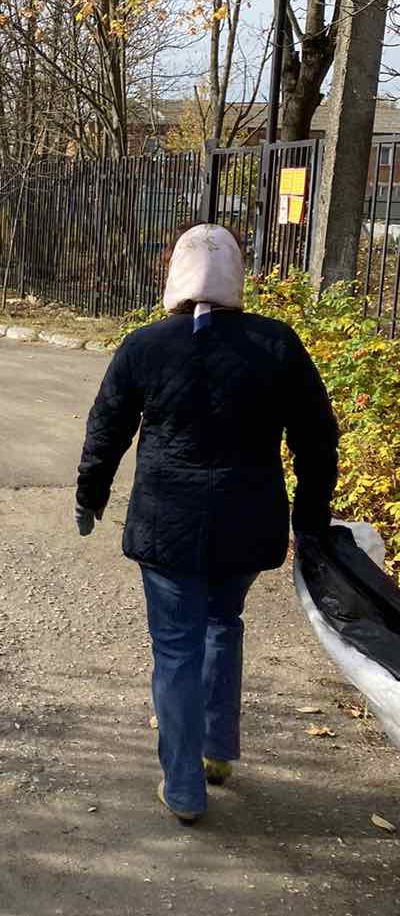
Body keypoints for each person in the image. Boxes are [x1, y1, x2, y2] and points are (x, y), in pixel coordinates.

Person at [75, 223, 339, 823]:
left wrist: (90, 495)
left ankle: (183, 786)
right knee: (224, 622)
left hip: (167, 522)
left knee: (176, 647)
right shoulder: (276, 343)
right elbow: (316, 439)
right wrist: (310, 519)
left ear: (175, 276)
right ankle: (217, 751)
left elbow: (107, 428)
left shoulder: (145, 346)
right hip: (249, 521)